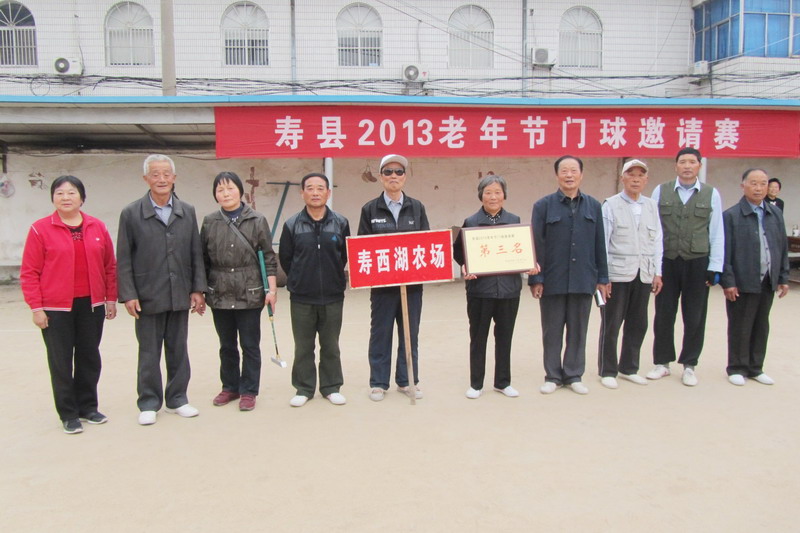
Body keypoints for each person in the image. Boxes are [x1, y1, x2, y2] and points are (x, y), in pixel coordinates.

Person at [20, 176, 117, 434]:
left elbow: (110, 266)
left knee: (89, 357)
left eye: (72, 192)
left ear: (82, 198)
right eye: (60, 193)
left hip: (91, 306)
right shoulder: (40, 229)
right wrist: (36, 307)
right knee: (61, 361)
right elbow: (29, 272)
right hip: (56, 308)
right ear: (53, 198)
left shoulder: (97, 227)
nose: (66, 197)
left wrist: (110, 298)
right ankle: (68, 413)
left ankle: (88, 407)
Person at [117, 154, 207, 426]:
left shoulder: (186, 211)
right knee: (149, 352)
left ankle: (178, 398)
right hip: (147, 294)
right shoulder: (131, 213)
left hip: (179, 291)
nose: (161, 179)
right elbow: (124, 257)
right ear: (146, 179)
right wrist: (129, 294)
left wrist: (197, 288)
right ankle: (148, 402)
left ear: (174, 178)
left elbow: (195, 252)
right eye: (155, 174)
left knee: (178, 349)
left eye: (166, 174)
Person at [529, 155, 609, 395]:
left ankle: (574, 375)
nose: (569, 175)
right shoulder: (543, 206)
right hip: (552, 279)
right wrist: (536, 279)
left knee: (578, 330)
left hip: (583, 279)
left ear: (581, 175)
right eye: (564, 171)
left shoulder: (594, 206)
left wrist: (602, 278)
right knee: (551, 331)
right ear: (557, 175)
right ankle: (552, 376)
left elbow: (599, 243)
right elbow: (536, 243)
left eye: (574, 170)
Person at [453, 175, 539, 399]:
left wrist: (530, 263)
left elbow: (523, 249)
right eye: (488, 192)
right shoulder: (471, 222)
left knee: (505, 337)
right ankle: (476, 384)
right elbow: (458, 251)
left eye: (498, 192)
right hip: (480, 291)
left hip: (509, 291)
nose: (493, 197)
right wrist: (465, 265)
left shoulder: (514, 220)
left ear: (504, 195)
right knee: (478, 338)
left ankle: (503, 382)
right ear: (481, 196)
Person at [201, 171, 277, 412]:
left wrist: (271, 290)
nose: (226, 194)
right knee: (226, 345)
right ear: (215, 195)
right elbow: (202, 259)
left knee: (250, 345)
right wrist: (200, 291)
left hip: (250, 291)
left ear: (240, 191)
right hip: (220, 291)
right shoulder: (210, 221)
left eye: (230, 188)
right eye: (220, 190)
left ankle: (249, 390)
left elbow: (268, 257)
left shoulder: (257, 220)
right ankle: (230, 387)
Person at [647, 147, 724, 387]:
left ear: (699, 165)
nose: (687, 166)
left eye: (692, 162)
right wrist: (654, 265)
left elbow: (716, 231)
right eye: (683, 162)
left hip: (697, 262)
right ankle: (662, 363)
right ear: (676, 165)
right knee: (664, 313)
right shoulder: (661, 190)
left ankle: (690, 365)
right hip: (667, 261)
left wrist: (715, 266)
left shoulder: (711, 194)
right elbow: (652, 229)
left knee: (695, 316)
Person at [358, 154, 430, 401]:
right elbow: (362, 248)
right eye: (388, 172)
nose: (393, 176)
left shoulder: (417, 207)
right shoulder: (370, 209)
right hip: (382, 288)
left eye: (399, 172)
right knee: (381, 333)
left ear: (405, 177)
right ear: (381, 177)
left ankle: (407, 380)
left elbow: (426, 243)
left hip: (412, 286)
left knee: (410, 334)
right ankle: (378, 383)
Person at [279, 173, 350, 407]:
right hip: (302, 297)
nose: (315, 193)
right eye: (310, 188)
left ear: (328, 193)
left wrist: (332, 278)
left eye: (320, 188)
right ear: (302, 193)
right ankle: (304, 388)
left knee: (331, 345)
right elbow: (286, 258)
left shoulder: (340, 222)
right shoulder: (292, 224)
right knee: (303, 346)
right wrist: (301, 279)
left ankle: (331, 387)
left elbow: (344, 256)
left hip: (332, 296)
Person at [598, 159, 663, 389]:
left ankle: (629, 367)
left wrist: (658, 272)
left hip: (643, 273)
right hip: (617, 273)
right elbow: (603, 242)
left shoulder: (651, 206)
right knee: (612, 323)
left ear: (646, 180)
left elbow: (657, 241)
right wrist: (603, 277)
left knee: (638, 323)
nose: (636, 179)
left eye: (640, 175)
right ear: (622, 178)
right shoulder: (610, 205)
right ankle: (607, 370)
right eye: (631, 174)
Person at [721, 169, 789, 386]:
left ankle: (755, 367)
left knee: (761, 324)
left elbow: (782, 247)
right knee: (740, 325)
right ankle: (736, 367)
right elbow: (724, 252)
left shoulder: (774, 213)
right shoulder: (731, 216)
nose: (759, 188)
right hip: (742, 281)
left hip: (767, 279)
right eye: (754, 183)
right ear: (743, 186)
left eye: (763, 183)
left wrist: (783, 277)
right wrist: (728, 281)